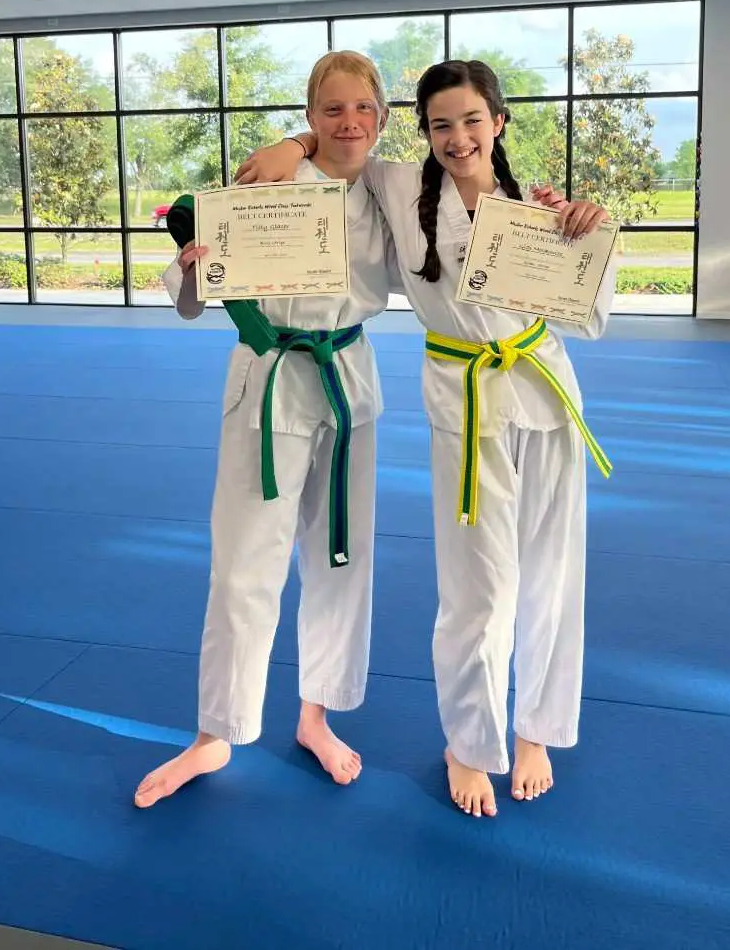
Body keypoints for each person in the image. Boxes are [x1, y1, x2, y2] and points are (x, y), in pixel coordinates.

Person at [235, 60, 613, 820]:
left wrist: (587, 226)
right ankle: (469, 741)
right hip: (464, 401)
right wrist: (288, 144)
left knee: (552, 570)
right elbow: (341, 141)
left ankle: (537, 727)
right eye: (440, 124)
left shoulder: (535, 209)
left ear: (498, 122)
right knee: (477, 585)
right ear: (425, 132)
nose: (457, 137)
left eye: (471, 120)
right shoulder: (398, 187)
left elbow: (589, 312)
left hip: (543, 384)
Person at [134, 51, 398, 808]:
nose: (349, 123)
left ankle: (316, 716)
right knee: (244, 563)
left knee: (339, 556)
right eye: (331, 110)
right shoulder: (271, 182)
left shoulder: (391, 186)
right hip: (269, 380)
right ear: (309, 117)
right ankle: (216, 733)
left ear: (382, 116)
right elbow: (191, 304)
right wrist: (194, 266)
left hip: (348, 380)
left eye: (363, 109)